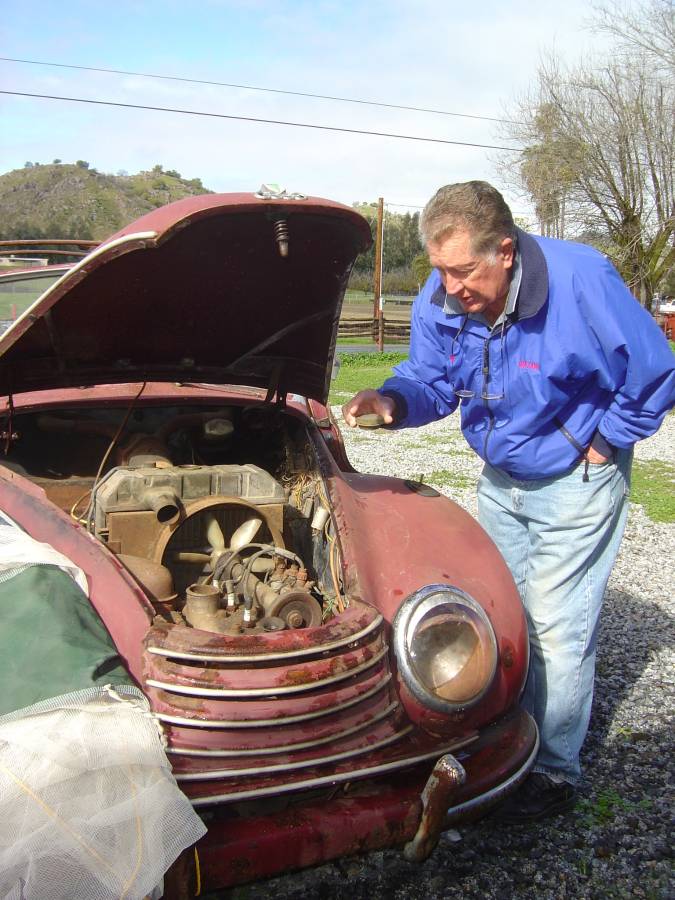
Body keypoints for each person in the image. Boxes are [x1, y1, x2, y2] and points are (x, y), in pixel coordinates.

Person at [342, 181, 675, 822]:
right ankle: (502, 741)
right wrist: (392, 400)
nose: (451, 288)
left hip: (574, 479)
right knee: (498, 614)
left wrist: (606, 441)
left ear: (505, 249)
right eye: (439, 271)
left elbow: (654, 372)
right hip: (500, 476)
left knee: (555, 625)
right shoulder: (442, 298)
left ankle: (552, 769)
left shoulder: (582, 280)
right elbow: (430, 380)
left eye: (464, 271)